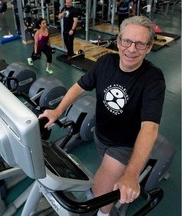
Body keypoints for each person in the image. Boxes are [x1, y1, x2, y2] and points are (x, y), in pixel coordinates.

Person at [39, 16, 165, 216]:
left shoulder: (152, 78)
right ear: (118, 41)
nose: (132, 49)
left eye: (140, 44)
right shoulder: (105, 62)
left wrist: (132, 174)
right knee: (107, 175)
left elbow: (150, 127)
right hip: (101, 133)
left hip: (124, 145)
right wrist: (57, 110)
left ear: (149, 48)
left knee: (100, 196)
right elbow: (79, 87)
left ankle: (104, 214)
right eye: (127, 41)